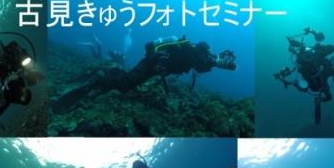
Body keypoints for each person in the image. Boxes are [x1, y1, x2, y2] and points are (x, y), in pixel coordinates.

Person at [52, 37, 237, 114]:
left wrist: (216, 61)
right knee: (125, 86)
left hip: (151, 67)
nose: (207, 57)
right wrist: (218, 62)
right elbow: (201, 65)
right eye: (207, 53)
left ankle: (110, 75)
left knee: (127, 82)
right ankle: (100, 79)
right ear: (202, 51)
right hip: (150, 66)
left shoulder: (189, 50)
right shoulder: (191, 54)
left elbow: (201, 65)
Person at [274, 28, 334, 104]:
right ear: (302, 55)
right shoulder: (301, 61)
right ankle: (319, 97)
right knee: (317, 91)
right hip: (314, 78)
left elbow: (333, 48)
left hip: (323, 70)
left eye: (310, 54)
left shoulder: (317, 53)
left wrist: (314, 34)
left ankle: (330, 61)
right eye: (306, 55)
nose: (308, 56)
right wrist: (282, 77)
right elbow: (292, 73)